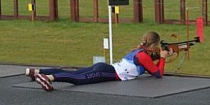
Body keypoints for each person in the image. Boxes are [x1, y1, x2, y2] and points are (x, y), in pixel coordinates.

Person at [25, 31, 170, 92]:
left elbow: (150, 67)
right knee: (78, 79)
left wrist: (162, 57)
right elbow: (157, 73)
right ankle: (49, 77)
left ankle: (37, 72)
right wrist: (162, 57)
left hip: (105, 67)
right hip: (107, 72)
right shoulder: (143, 56)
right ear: (153, 46)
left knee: (74, 73)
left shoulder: (139, 51)